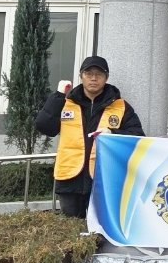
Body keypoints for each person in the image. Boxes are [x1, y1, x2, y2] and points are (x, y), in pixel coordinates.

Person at [35, 55, 145, 219]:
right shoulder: (65, 102)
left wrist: (112, 133)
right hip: (69, 178)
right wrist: (58, 95)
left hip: (104, 179)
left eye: (99, 74)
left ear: (106, 78)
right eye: (88, 73)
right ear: (81, 76)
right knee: (71, 228)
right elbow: (45, 127)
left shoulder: (120, 106)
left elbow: (138, 137)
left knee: (101, 228)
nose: (93, 78)